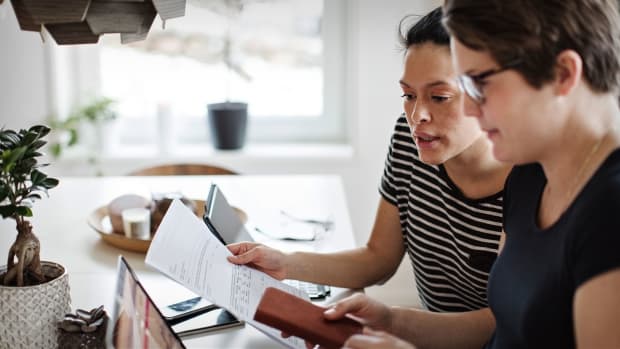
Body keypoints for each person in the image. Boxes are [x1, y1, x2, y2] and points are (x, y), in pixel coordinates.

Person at [324, 1, 620, 348]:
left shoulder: (610, 210)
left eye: (480, 83)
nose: (468, 107)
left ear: (563, 74)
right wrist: (391, 320)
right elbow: (500, 328)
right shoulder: (528, 176)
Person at [228, 7, 511, 313]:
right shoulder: (410, 137)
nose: (418, 116)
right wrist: (284, 262)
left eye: (439, 97)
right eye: (408, 95)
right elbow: (378, 259)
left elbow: (503, 325)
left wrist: (392, 324)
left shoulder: (528, 178)